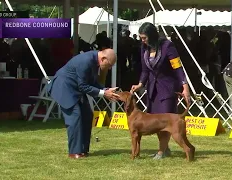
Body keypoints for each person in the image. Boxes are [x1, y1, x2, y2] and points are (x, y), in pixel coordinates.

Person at [130, 22, 190, 159]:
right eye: (141, 38)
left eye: (144, 37)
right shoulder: (144, 48)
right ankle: (165, 148)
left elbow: (177, 67)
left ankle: (161, 152)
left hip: (167, 88)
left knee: (165, 122)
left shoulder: (167, 46)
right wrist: (140, 84)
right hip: (152, 89)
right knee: (156, 122)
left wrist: (185, 86)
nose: (142, 40)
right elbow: (145, 70)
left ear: (152, 36)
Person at [47, 49, 120, 159]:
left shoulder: (95, 61)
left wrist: (106, 89)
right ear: (103, 59)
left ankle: (83, 150)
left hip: (75, 88)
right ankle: (74, 152)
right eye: (109, 65)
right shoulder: (86, 61)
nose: (109, 68)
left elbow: (92, 82)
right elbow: (83, 86)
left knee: (87, 115)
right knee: (75, 116)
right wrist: (104, 93)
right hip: (64, 87)